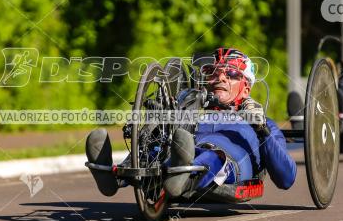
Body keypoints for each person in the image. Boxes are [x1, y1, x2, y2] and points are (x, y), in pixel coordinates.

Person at [86, 47, 297, 199]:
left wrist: (262, 129)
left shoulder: (262, 123)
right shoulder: (192, 109)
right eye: (214, 73)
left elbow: (286, 178)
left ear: (246, 88)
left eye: (231, 74)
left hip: (226, 161)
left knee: (212, 155)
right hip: (181, 149)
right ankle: (111, 174)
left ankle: (183, 175)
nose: (220, 78)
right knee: (156, 148)